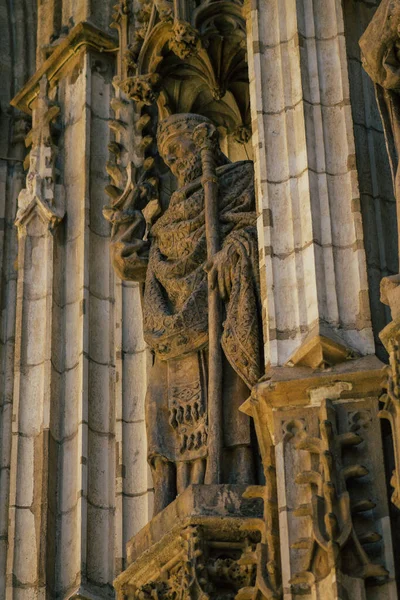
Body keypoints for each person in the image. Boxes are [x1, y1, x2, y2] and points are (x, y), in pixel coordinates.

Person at [109, 113, 263, 514]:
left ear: (205, 138)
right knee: (164, 415)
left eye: (179, 150)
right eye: (168, 156)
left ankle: (237, 484)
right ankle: (172, 499)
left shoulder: (240, 181)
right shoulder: (168, 218)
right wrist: (126, 225)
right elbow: (139, 263)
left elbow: (262, 230)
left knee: (228, 408)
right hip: (174, 343)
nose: (175, 162)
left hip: (219, 320)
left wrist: (236, 250)